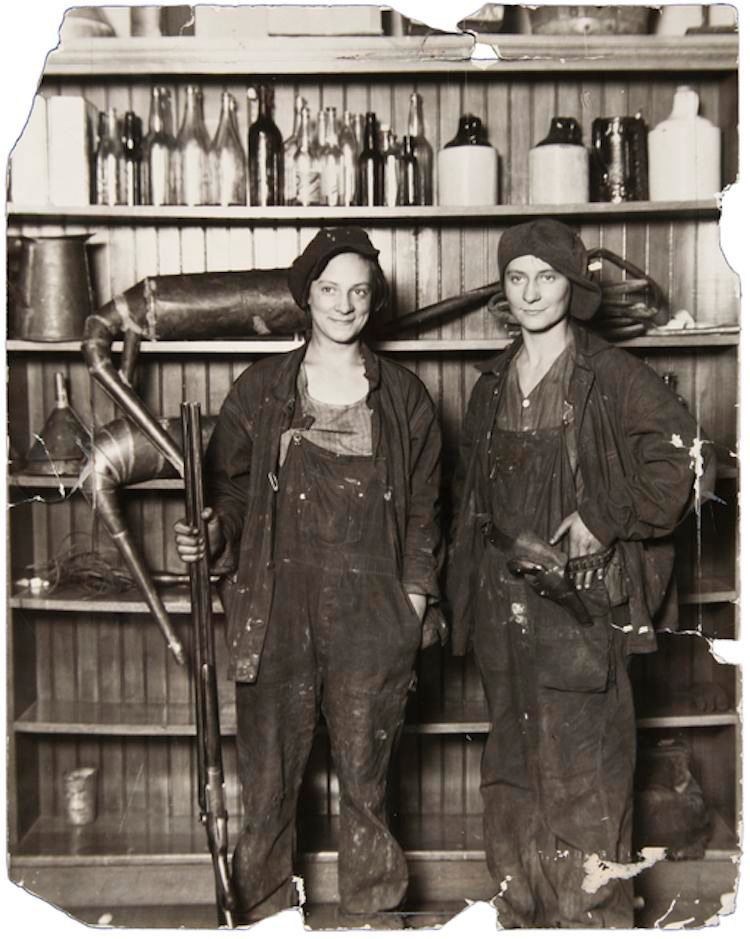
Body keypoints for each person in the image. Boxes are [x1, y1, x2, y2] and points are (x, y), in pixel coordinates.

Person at [174, 226, 444, 928]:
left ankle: (377, 912)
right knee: (268, 783)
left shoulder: (406, 400)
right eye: (330, 289)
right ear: (306, 297)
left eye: (359, 290)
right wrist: (213, 530)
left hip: (373, 611)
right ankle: (266, 915)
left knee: (367, 783)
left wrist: (411, 604)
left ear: (373, 300)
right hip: (275, 603)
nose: (344, 304)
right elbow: (229, 493)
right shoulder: (261, 390)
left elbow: (424, 514)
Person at [448, 218, 713, 928]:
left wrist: (602, 515)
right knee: (510, 773)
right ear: (504, 290)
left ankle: (594, 923)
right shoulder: (491, 383)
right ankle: (520, 915)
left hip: (580, 604)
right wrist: (457, 604)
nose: (531, 291)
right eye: (517, 277)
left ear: (573, 286)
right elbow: (472, 506)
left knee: (586, 780)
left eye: (547, 276)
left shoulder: (613, 376)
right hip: (502, 607)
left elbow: (687, 460)